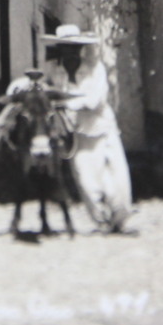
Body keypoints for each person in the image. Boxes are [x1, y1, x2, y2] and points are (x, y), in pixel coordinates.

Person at [40, 24, 134, 234]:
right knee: (86, 179)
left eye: (75, 47)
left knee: (115, 176)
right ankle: (101, 221)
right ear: (60, 48)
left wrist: (65, 103)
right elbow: (48, 94)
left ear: (81, 48)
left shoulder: (95, 69)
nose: (71, 52)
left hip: (102, 128)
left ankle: (121, 220)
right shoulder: (55, 72)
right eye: (66, 47)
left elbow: (94, 101)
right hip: (76, 133)